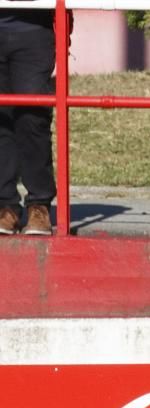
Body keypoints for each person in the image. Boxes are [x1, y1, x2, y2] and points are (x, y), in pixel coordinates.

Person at [0, 5, 56, 236]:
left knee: (33, 117)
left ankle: (39, 205)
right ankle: (5, 206)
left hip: (33, 30)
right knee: (1, 120)